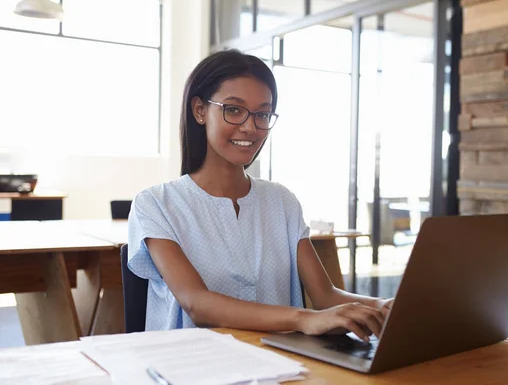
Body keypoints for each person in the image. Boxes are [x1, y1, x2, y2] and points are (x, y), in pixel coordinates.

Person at [128, 49, 393, 342]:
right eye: (234, 109)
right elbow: (196, 303)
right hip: (194, 366)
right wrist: (304, 319)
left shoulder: (282, 201)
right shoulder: (156, 203)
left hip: (282, 363)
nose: (250, 127)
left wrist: (382, 307)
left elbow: (324, 295)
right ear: (200, 111)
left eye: (263, 114)